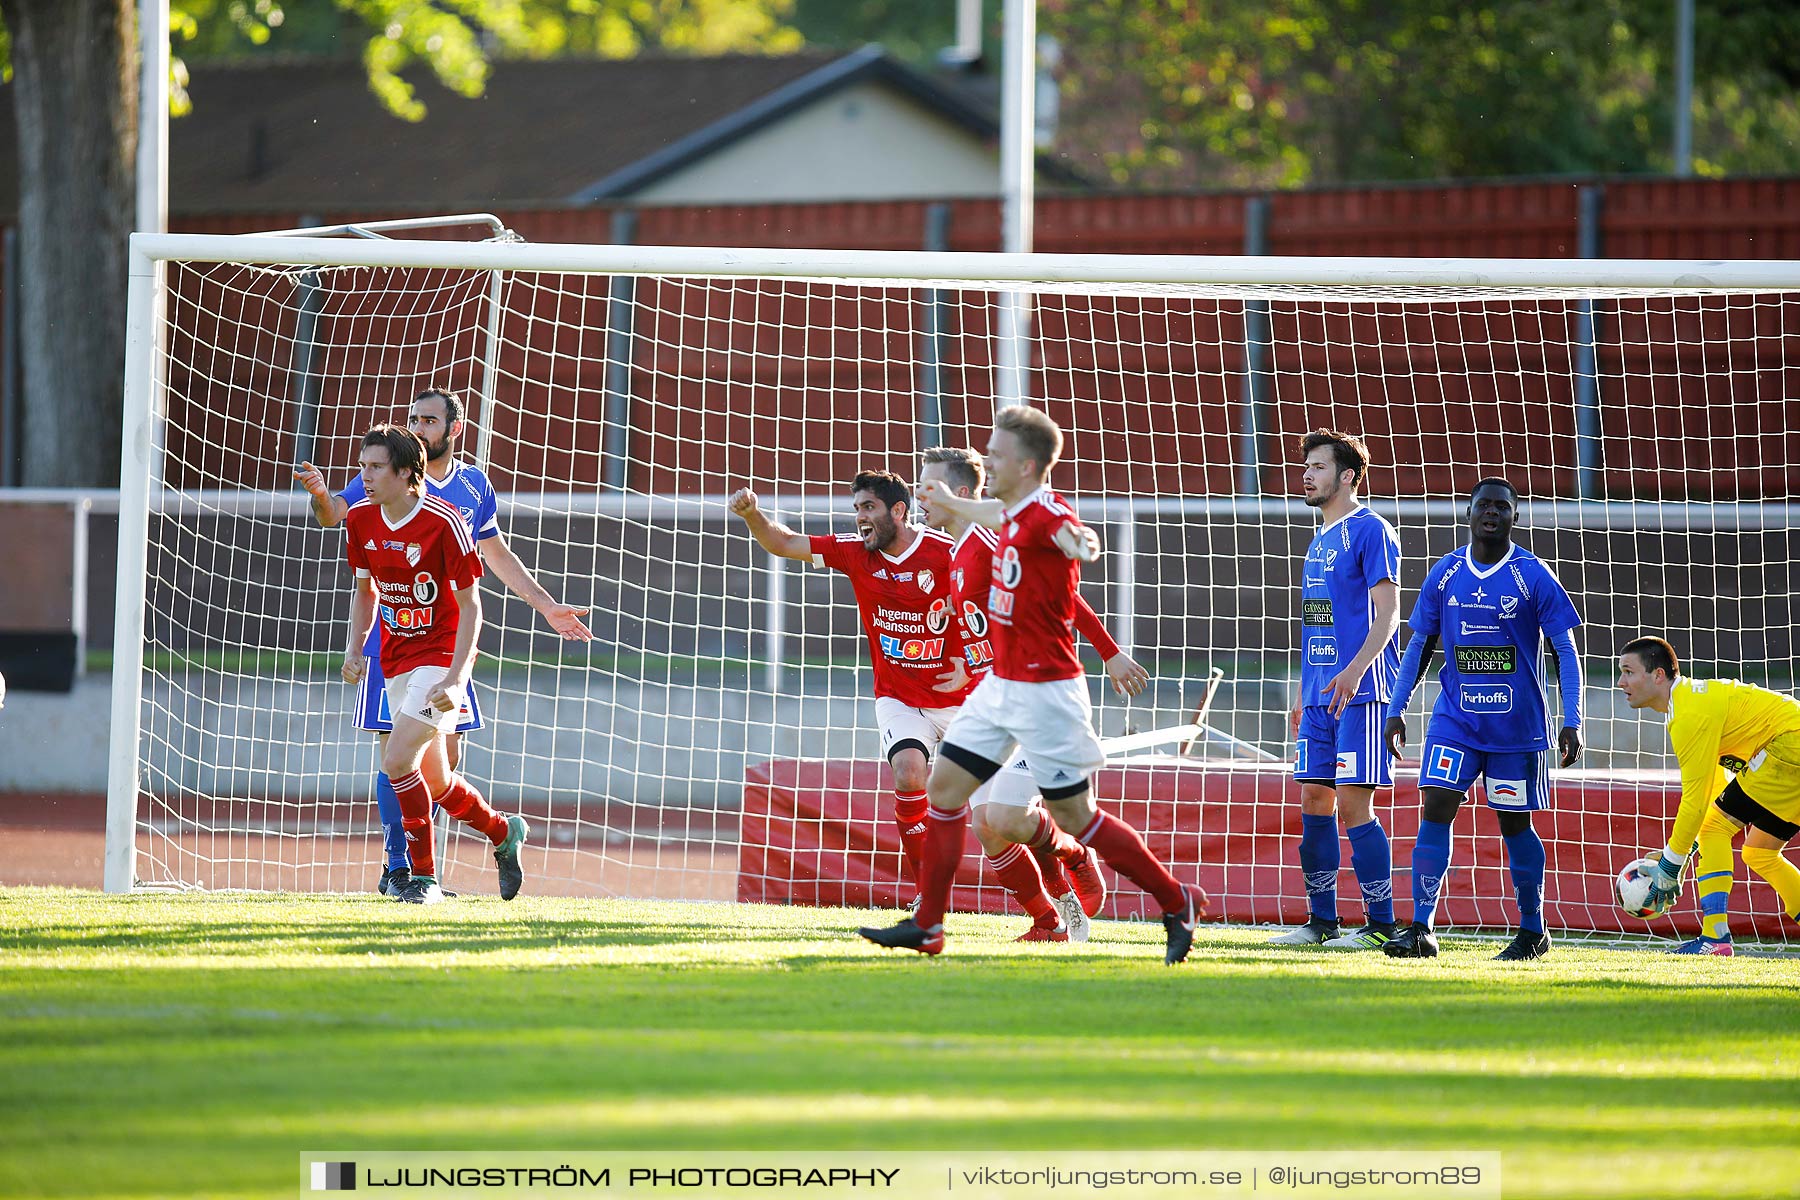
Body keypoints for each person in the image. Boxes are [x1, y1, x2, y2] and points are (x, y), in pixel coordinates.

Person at [859, 406, 1208, 963]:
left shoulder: (1041, 514)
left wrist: (1081, 546)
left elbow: (1072, 537)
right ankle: (929, 925)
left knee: (1074, 818)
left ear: (1025, 464)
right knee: (945, 793)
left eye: (995, 454)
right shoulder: (988, 524)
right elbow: (985, 513)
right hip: (998, 687)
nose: (987, 460)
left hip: (1047, 693)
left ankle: (1176, 899)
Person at [295, 386, 590, 895]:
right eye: (413, 417)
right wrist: (323, 497)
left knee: (431, 766)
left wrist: (544, 605)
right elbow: (340, 526)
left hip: (447, 645)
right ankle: (407, 866)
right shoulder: (377, 480)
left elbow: (494, 558)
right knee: (406, 762)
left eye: (429, 420)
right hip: (391, 643)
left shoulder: (469, 492)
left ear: (454, 430)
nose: (418, 426)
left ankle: (431, 865)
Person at [916, 445, 1145, 943]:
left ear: (959, 494)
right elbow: (987, 626)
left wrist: (1109, 652)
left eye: (927, 486)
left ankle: (1076, 853)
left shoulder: (990, 538)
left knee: (1006, 818)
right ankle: (1050, 921)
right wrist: (967, 664)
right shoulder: (956, 551)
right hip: (992, 702)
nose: (919, 496)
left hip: (1035, 700)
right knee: (987, 825)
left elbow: (1061, 594)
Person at [730, 470, 972, 911]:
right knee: (909, 775)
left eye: (869, 508)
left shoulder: (948, 553)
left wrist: (972, 658)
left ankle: (1068, 866)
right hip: (899, 697)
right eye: (857, 508)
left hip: (962, 698)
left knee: (1004, 815)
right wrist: (752, 515)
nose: (860, 518)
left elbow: (991, 606)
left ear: (898, 511)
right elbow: (783, 543)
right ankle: (928, 897)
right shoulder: (855, 552)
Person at [1382, 479, 1584, 961]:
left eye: (1502, 506)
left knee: (1514, 825)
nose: (1491, 512)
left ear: (1515, 516)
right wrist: (1396, 708)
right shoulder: (1447, 571)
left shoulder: (1532, 575)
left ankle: (1533, 931)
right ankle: (1420, 928)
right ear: (1468, 513)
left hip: (1517, 730)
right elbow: (1418, 645)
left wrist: (1572, 719)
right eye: (1483, 505)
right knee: (1435, 808)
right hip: (1456, 721)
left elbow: (1565, 651)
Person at [340, 425, 528, 905]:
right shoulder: (360, 520)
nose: (365, 476)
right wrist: (354, 647)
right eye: (362, 466)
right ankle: (503, 831)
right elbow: (366, 593)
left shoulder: (444, 523)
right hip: (398, 660)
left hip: (440, 657)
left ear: (406, 474)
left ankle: (422, 879)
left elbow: (472, 607)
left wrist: (457, 678)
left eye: (376, 467)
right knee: (439, 782)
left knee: (396, 759)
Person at [1271, 430, 1401, 949]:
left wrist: (1354, 671)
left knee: (1353, 804)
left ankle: (1380, 926)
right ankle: (1321, 921)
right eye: (1306, 466)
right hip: (1320, 695)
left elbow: (1389, 615)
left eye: (1319, 467)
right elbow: (1317, 622)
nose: (1306, 474)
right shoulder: (1318, 541)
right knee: (1313, 796)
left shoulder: (1372, 530)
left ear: (1347, 476)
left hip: (1362, 690)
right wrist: (1306, 692)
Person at [1617, 635, 1800, 955]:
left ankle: (1715, 938)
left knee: (1714, 827)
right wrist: (1682, 853)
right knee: (1759, 852)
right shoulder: (1688, 702)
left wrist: (1670, 867)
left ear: (1658, 675)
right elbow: (1716, 789)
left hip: (1789, 744)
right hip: (1790, 748)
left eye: (1629, 672)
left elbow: (1695, 799)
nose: (1621, 682)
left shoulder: (1687, 714)